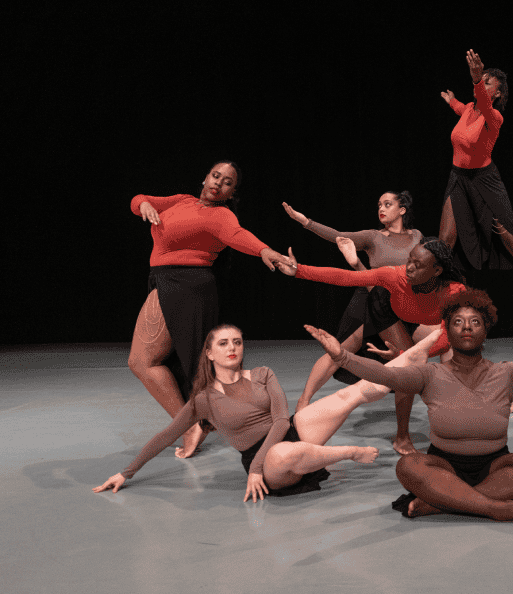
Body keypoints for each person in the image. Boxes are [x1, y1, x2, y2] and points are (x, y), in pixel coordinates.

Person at [303, 289, 513, 521]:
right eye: (458, 322)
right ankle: (497, 510)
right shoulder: (427, 375)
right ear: (447, 332)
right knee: (409, 467)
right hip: (443, 464)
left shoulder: (509, 373)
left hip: (494, 466)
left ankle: (439, 504)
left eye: (475, 322)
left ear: (486, 330)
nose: (466, 328)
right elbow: (384, 375)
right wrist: (342, 356)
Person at [94, 325, 381, 501]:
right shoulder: (204, 400)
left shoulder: (262, 373)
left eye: (237, 342)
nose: (232, 348)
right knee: (282, 455)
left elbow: (282, 421)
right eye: (223, 343)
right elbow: (166, 436)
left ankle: (413, 360)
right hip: (268, 460)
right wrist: (125, 473)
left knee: (348, 394)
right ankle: (351, 452)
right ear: (209, 354)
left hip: (289, 433)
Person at [129, 161, 291, 458]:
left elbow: (238, 235)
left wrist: (265, 250)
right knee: (150, 362)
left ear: (231, 193)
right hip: (168, 281)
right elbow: (138, 199)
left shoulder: (221, 214)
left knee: (143, 360)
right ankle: (196, 423)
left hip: (186, 283)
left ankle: (193, 425)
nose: (218, 182)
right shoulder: (181, 201)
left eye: (227, 182)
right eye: (216, 176)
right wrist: (144, 206)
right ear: (205, 177)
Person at [276, 238, 467, 454]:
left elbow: (447, 339)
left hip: (411, 316)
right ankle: (305, 401)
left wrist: (404, 354)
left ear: (437, 270)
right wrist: (299, 270)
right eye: (409, 260)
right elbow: (347, 278)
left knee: (422, 357)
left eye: (418, 264)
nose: (410, 267)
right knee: (386, 364)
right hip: (383, 307)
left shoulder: (454, 292)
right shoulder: (396, 275)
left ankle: (439, 417)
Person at [280, 192, 424, 407]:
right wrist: (306, 222)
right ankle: (304, 400)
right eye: (379, 205)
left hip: (400, 302)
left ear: (402, 210)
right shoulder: (373, 236)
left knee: (405, 358)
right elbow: (337, 235)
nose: (381, 209)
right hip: (368, 297)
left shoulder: (417, 236)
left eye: (387, 204)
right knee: (340, 350)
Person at [439, 49, 513, 276]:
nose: (481, 84)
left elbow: (481, 98)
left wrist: (475, 78)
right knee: (445, 241)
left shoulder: (494, 118)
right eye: (481, 81)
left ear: (498, 94)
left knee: (510, 238)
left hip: (485, 180)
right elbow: (462, 108)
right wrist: (452, 100)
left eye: (487, 83)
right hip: (458, 178)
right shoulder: (470, 110)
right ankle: (435, 298)